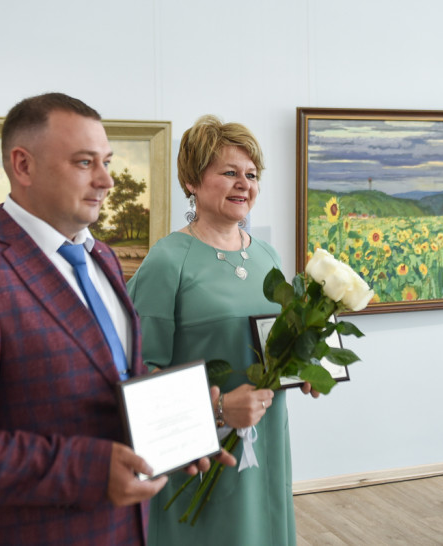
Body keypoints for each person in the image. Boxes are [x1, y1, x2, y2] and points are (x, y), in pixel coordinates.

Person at [0, 93, 233, 546]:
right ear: (23, 165)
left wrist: (177, 424)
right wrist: (88, 471)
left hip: (124, 529)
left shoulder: (102, 257)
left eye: (106, 162)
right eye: (84, 162)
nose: (106, 180)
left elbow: (112, 377)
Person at [128, 115, 317, 545]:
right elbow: (138, 376)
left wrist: (303, 367)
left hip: (266, 439)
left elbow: (274, 343)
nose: (243, 184)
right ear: (192, 181)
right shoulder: (167, 261)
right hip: (199, 454)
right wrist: (215, 409)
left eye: (251, 175)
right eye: (230, 172)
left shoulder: (267, 256)